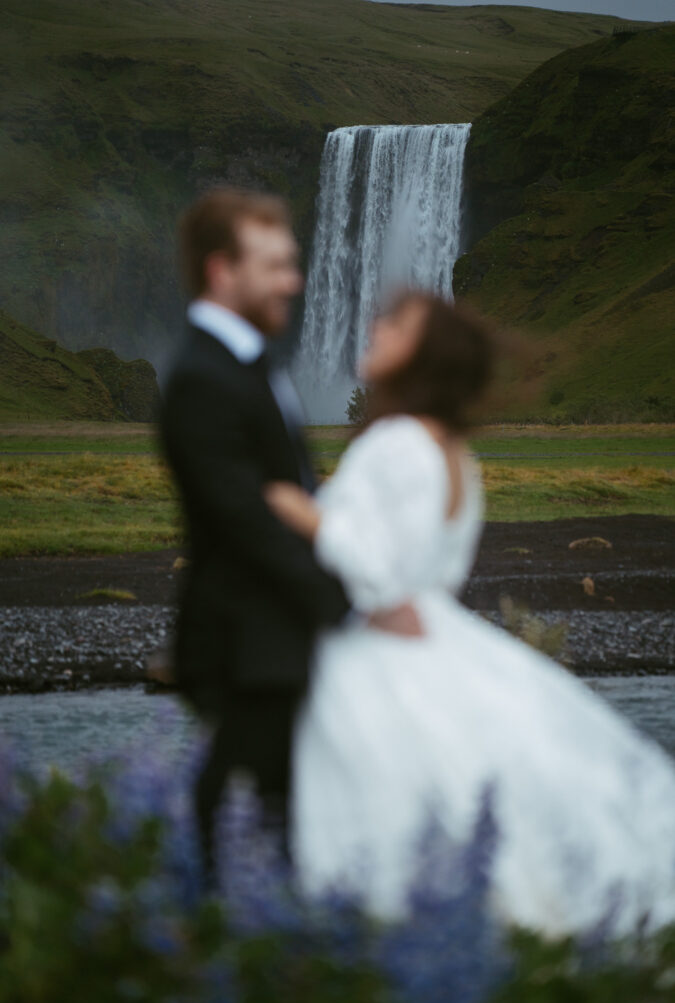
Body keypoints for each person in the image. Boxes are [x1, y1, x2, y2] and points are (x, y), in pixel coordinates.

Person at [265, 291, 675, 936]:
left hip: (384, 656)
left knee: (372, 824)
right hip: (446, 647)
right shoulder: (457, 456)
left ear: (426, 356)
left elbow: (378, 575)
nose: (374, 325)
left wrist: (295, 506)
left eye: (395, 323)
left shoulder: (398, 441)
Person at [159, 187, 353, 881]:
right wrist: (345, 601)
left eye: (292, 263)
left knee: (281, 811)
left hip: (276, 633)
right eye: (274, 265)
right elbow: (243, 520)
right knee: (250, 813)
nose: (293, 282)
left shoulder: (248, 362)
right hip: (245, 641)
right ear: (221, 271)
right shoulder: (201, 378)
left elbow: (290, 491)